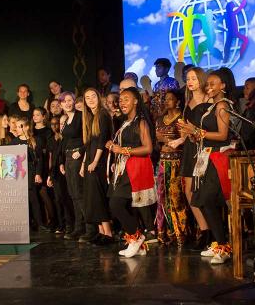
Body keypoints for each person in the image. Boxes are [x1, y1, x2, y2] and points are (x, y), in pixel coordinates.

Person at [178, 69, 236, 264]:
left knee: (207, 199)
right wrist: (192, 133)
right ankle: (220, 243)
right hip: (206, 156)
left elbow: (222, 135)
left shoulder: (222, 106)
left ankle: (223, 245)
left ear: (223, 86)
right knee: (201, 199)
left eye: (213, 84)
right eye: (208, 84)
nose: (209, 87)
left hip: (217, 158)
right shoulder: (212, 107)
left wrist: (198, 132)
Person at [106, 87, 157, 258]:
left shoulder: (140, 122)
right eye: (120, 100)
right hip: (124, 168)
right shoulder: (124, 122)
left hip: (136, 169)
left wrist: (122, 150)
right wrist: (115, 151)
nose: (122, 102)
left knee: (116, 203)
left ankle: (136, 237)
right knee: (120, 204)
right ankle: (138, 242)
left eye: (126, 99)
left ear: (136, 101)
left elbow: (148, 148)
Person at [177, 67, 211, 250]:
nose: (190, 82)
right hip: (190, 148)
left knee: (204, 189)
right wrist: (180, 138)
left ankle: (213, 230)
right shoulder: (187, 102)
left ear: (201, 80)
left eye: (193, 78)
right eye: (188, 78)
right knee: (189, 190)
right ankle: (204, 229)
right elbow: (187, 130)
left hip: (205, 148)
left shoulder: (209, 99)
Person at [79, 88, 115, 245]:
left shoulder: (102, 114)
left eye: (93, 96)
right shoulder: (90, 117)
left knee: (98, 196)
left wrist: (94, 161)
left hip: (99, 161)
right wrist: (83, 164)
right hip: (90, 160)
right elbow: (89, 144)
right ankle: (101, 232)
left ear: (99, 98)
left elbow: (102, 141)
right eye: (87, 98)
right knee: (92, 197)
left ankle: (108, 233)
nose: (91, 100)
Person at [155, 90, 189, 246]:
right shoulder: (160, 119)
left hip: (176, 163)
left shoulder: (181, 119)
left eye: (170, 99)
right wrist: (161, 140)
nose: (167, 101)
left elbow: (183, 141)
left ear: (177, 101)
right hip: (163, 162)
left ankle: (180, 233)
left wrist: (166, 139)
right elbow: (157, 140)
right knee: (162, 197)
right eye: (165, 99)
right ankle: (165, 232)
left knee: (175, 198)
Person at [12, 118, 50, 232]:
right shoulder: (13, 142)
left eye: (20, 126)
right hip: (18, 173)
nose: (17, 129)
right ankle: (26, 224)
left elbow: (40, 159)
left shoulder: (35, 140)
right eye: (17, 127)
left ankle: (40, 223)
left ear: (27, 127)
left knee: (33, 197)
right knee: (21, 199)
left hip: (31, 171)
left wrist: (38, 173)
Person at [58, 91, 86, 240]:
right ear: (61, 104)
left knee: (79, 193)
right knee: (72, 193)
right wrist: (62, 161)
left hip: (77, 156)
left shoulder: (80, 116)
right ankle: (78, 227)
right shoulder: (66, 119)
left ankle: (88, 228)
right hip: (68, 157)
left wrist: (81, 151)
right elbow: (64, 142)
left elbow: (88, 138)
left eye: (70, 100)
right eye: (64, 101)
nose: (68, 103)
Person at [47, 115, 74, 235]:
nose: (55, 126)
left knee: (66, 198)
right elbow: (51, 158)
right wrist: (50, 175)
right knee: (58, 199)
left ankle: (70, 224)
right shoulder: (51, 139)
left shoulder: (66, 139)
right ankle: (62, 224)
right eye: (52, 124)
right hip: (55, 172)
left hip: (65, 170)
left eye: (57, 123)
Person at [32, 107, 56, 231]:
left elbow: (49, 150)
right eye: (33, 115)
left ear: (43, 117)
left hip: (45, 163)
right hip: (33, 164)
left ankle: (53, 219)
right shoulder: (30, 131)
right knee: (35, 194)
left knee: (45, 192)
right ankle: (39, 221)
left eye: (37, 115)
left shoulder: (47, 131)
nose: (35, 117)